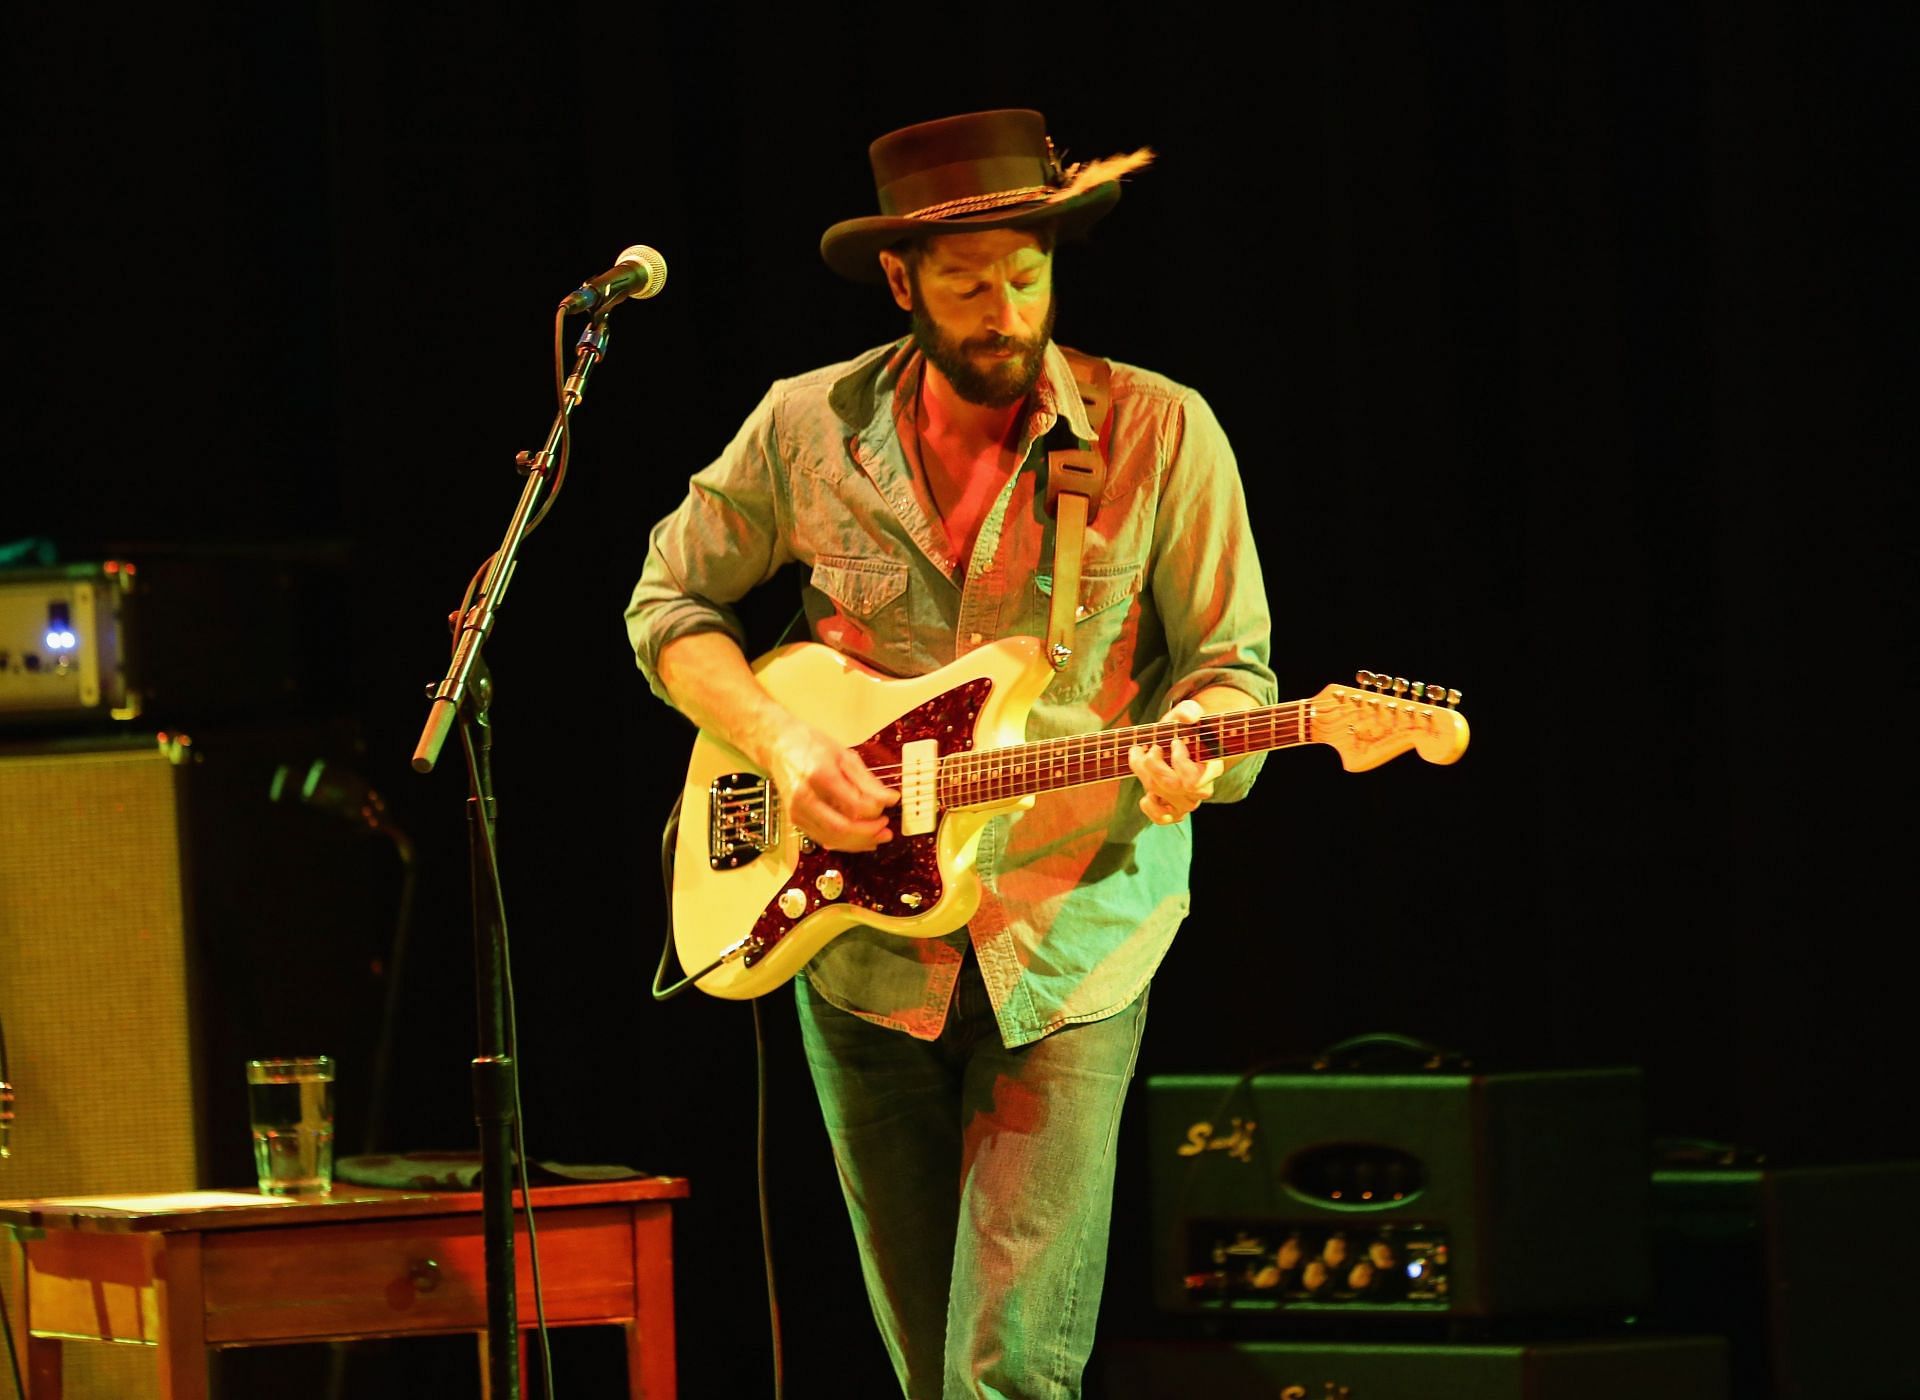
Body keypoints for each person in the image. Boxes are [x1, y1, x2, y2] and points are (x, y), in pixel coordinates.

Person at [625, 108, 1276, 1400]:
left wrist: (1202, 752)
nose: (1003, 314)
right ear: (899, 280)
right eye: (969, 283)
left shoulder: (1159, 432)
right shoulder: (804, 427)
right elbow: (667, 607)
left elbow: (1229, 671)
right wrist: (785, 740)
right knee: (929, 1371)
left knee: (1009, 1371)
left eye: (1026, 278)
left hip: (1069, 930)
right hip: (853, 943)